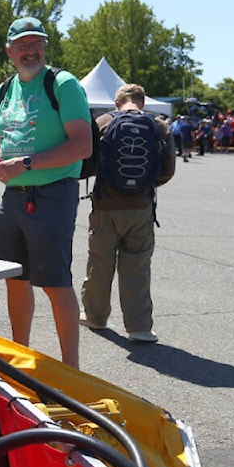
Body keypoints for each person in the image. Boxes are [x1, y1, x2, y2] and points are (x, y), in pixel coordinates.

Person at [0, 17, 93, 368]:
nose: (31, 50)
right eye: (23, 44)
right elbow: (1, 142)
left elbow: (82, 146)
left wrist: (24, 163)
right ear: (9, 50)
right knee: (15, 278)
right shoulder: (4, 90)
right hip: (12, 196)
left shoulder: (64, 84)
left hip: (53, 194)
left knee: (55, 282)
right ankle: (20, 359)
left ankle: (71, 369)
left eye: (37, 43)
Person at [80, 83, 176, 343]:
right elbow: (167, 170)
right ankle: (140, 327)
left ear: (117, 102)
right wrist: (143, 186)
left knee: (100, 263)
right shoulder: (159, 126)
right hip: (141, 207)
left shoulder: (104, 122)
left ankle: (95, 316)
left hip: (105, 205)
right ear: (142, 103)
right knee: (137, 266)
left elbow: (87, 163)